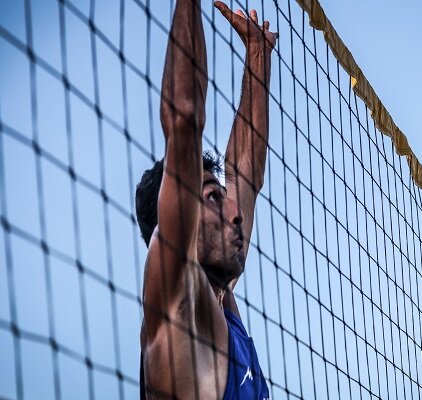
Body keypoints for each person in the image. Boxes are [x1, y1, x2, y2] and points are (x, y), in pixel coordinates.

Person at [134, 0, 276, 398]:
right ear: (178, 215)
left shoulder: (221, 301)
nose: (235, 213)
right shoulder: (178, 305)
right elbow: (184, 118)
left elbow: (245, 172)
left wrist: (257, 56)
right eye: (214, 197)